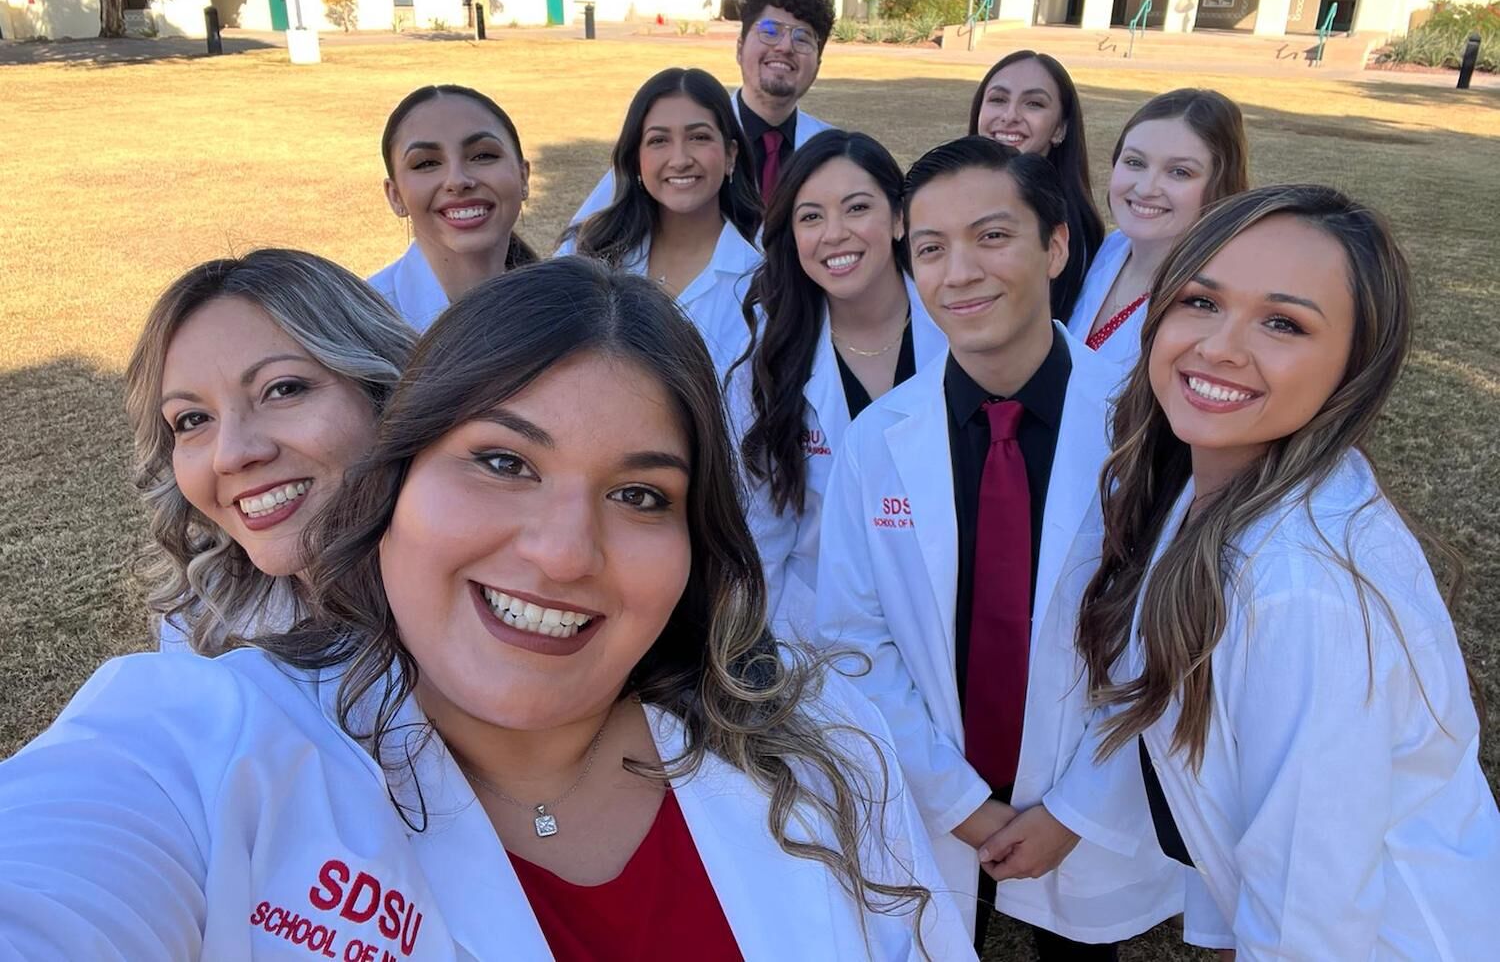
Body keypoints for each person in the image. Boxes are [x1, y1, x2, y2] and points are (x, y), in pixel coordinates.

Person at [0, 259, 975, 961]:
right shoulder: (201, 745)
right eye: (502, 462)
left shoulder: (823, 749)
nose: (561, 551)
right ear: (395, 480)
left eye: (641, 495)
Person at [1070, 184, 1500, 957]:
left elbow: (1312, 918)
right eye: (1201, 301)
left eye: (1283, 322)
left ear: (1354, 365)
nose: (1221, 347)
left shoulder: (1304, 593)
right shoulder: (1214, 485)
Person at [815, 137, 1181, 954]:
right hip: (938, 784)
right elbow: (854, 640)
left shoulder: (1146, 430)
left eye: (991, 236)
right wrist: (958, 801)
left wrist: (1076, 807)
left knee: (1078, 946)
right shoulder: (879, 443)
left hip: (1088, 790)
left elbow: (1166, 637)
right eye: (930, 249)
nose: (959, 273)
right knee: (931, 934)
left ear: (1055, 247)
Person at [123, 248, 415, 655]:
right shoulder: (196, 629)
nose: (230, 455)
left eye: (282, 389)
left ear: (383, 393)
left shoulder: (501, 594)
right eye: (192, 420)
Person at [728, 130, 946, 637]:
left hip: (945, 617)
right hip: (816, 633)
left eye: (856, 208)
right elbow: (759, 534)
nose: (834, 234)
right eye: (810, 217)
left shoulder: (958, 333)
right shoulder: (768, 359)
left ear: (898, 219)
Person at [569, 0, 836, 223]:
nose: (785, 47)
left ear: (818, 63)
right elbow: (580, 238)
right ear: (740, 48)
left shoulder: (832, 152)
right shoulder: (681, 136)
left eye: (803, 38)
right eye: (770, 30)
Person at [558, 67, 763, 371]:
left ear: (731, 155)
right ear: (636, 159)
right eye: (658, 141)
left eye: (699, 137)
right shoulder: (584, 251)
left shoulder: (764, 279)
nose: (680, 160)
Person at [1066, 89, 1248, 377]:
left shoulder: (1213, 302)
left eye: (1179, 172)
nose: (1146, 188)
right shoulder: (1109, 249)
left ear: (1220, 185)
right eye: (1135, 163)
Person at [370, 84, 539, 330]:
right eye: (426, 163)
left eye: (483, 156)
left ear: (523, 177)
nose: (458, 181)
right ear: (395, 196)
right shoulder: (357, 329)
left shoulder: (574, 311)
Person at [968, 51, 1104, 323]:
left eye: (1033, 104)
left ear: (1060, 129)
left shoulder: (1077, 235)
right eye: (998, 99)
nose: (1009, 115)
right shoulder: (936, 201)